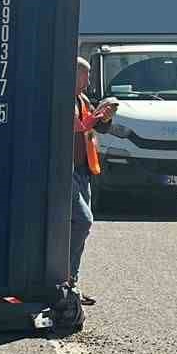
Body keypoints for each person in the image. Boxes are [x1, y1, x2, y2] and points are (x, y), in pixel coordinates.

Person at [72, 56, 118, 307]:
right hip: (64, 172)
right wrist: (97, 114)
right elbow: (78, 126)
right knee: (82, 221)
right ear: (75, 75)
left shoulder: (83, 99)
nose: (88, 80)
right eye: (85, 75)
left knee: (79, 225)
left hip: (84, 170)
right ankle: (65, 282)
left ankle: (71, 282)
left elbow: (98, 129)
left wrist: (105, 117)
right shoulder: (63, 98)